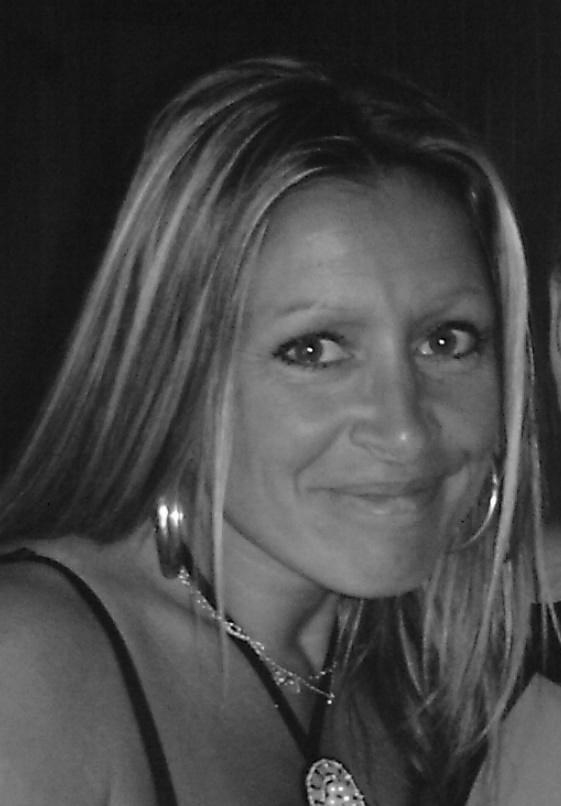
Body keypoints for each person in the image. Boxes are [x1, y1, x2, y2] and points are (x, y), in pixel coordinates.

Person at [0, 56, 555, 806]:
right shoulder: (29, 667)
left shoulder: (425, 678)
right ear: (170, 370)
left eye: (445, 341)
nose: (404, 432)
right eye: (314, 351)